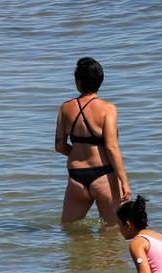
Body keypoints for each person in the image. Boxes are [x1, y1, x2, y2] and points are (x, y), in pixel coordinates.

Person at [55, 57, 131, 226]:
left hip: (76, 178)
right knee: (113, 232)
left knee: (69, 230)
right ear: (100, 81)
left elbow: (59, 146)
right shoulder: (108, 109)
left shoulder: (65, 108)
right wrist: (124, 181)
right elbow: (111, 147)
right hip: (103, 175)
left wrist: (76, 153)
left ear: (78, 82)